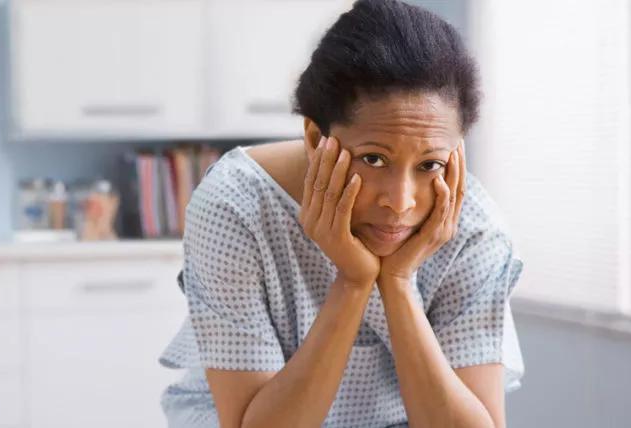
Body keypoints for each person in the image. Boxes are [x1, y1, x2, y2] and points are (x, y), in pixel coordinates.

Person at [158, 0, 525, 427]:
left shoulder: (473, 228)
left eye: (429, 164)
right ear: (316, 138)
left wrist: (399, 283)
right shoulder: (235, 207)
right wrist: (352, 283)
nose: (401, 201)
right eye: (373, 159)